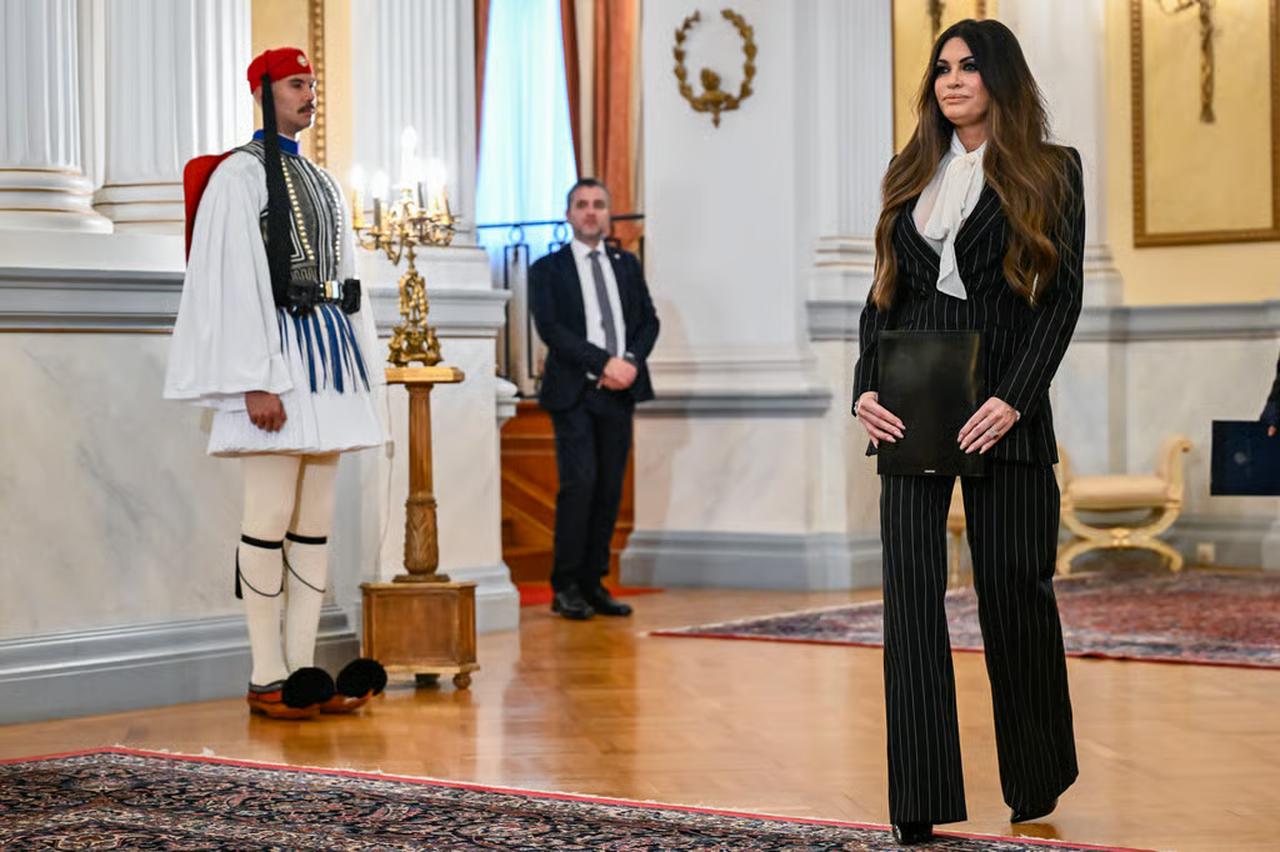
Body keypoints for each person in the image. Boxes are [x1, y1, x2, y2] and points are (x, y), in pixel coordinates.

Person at [851, 20, 1084, 845]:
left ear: (999, 79)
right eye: (942, 68)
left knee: (1015, 591)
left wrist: (1016, 399)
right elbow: (882, 293)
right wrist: (864, 389)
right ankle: (916, 801)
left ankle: (1034, 775)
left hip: (1004, 405)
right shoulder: (908, 170)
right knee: (911, 602)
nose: (952, 81)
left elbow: (1060, 302)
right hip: (912, 397)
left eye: (969, 68)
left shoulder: (1052, 170)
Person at [165, 47, 387, 719]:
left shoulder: (321, 179)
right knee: (267, 517)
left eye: (312, 84)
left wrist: (364, 373)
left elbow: (349, 284)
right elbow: (232, 282)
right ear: (264, 91)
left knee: (314, 522)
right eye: (296, 84)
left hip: (326, 362)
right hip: (276, 364)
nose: (308, 95)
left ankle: (303, 668)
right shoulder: (237, 175)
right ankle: (266, 671)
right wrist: (253, 379)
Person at [528, 178, 660, 620]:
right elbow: (552, 330)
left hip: (620, 393)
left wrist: (630, 361)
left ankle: (594, 582)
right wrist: (604, 362)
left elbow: (648, 322)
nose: (590, 212)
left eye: (599, 204)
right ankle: (565, 585)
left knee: (608, 491)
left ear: (608, 213)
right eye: (581, 205)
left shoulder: (626, 264)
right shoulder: (548, 269)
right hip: (575, 392)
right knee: (579, 486)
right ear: (569, 214)